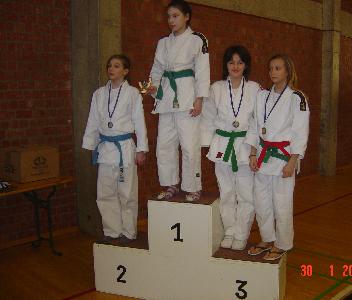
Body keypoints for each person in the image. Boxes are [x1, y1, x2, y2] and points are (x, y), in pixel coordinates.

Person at [246, 54, 310, 260]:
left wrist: (293, 160)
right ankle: (266, 238)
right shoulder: (262, 96)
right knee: (261, 201)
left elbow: (301, 132)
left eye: (278, 68)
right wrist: (253, 153)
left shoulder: (296, 98)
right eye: (271, 68)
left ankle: (283, 243)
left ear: (287, 71)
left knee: (281, 202)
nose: (273, 72)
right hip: (263, 155)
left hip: (283, 157)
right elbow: (255, 126)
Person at [146, 0, 210, 202]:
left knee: (190, 146)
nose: (171, 20)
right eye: (169, 16)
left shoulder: (197, 39)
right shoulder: (163, 42)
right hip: (166, 98)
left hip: (187, 97)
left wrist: (199, 99)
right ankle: (170, 184)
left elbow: (202, 70)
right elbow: (156, 69)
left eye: (176, 16)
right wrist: (153, 87)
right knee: (164, 145)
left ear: (186, 17)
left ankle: (193, 186)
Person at [82, 54, 148, 245]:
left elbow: (139, 123)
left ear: (125, 71)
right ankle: (112, 231)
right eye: (109, 66)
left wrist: (141, 149)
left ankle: (128, 232)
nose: (111, 69)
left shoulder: (133, 93)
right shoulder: (99, 94)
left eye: (117, 66)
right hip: (105, 150)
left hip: (124, 149)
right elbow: (93, 120)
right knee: (105, 193)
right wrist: (90, 144)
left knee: (126, 194)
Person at [202, 45, 259, 250]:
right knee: (226, 192)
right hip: (222, 144)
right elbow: (208, 118)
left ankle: (242, 233)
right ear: (226, 65)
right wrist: (207, 144)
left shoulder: (254, 89)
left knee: (245, 194)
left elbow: (256, 121)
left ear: (246, 65)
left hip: (244, 146)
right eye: (231, 62)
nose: (235, 66)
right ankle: (229, 231)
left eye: (240, 62)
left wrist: (254, 149)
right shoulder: (216, 88)